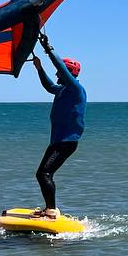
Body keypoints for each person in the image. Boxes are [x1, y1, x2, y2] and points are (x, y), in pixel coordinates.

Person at [30, 34, 86, 217]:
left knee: (43, 174)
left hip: (66, 142)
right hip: (58, 141)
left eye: (60, 72)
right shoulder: (62, 90)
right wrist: (39, 68)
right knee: (44, 173)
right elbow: (48, 86)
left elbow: (59, 67)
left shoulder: (76, 89)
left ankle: (51, 210)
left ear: (67, 72)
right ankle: (50, 208)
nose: (56, 74)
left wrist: (49, 50)